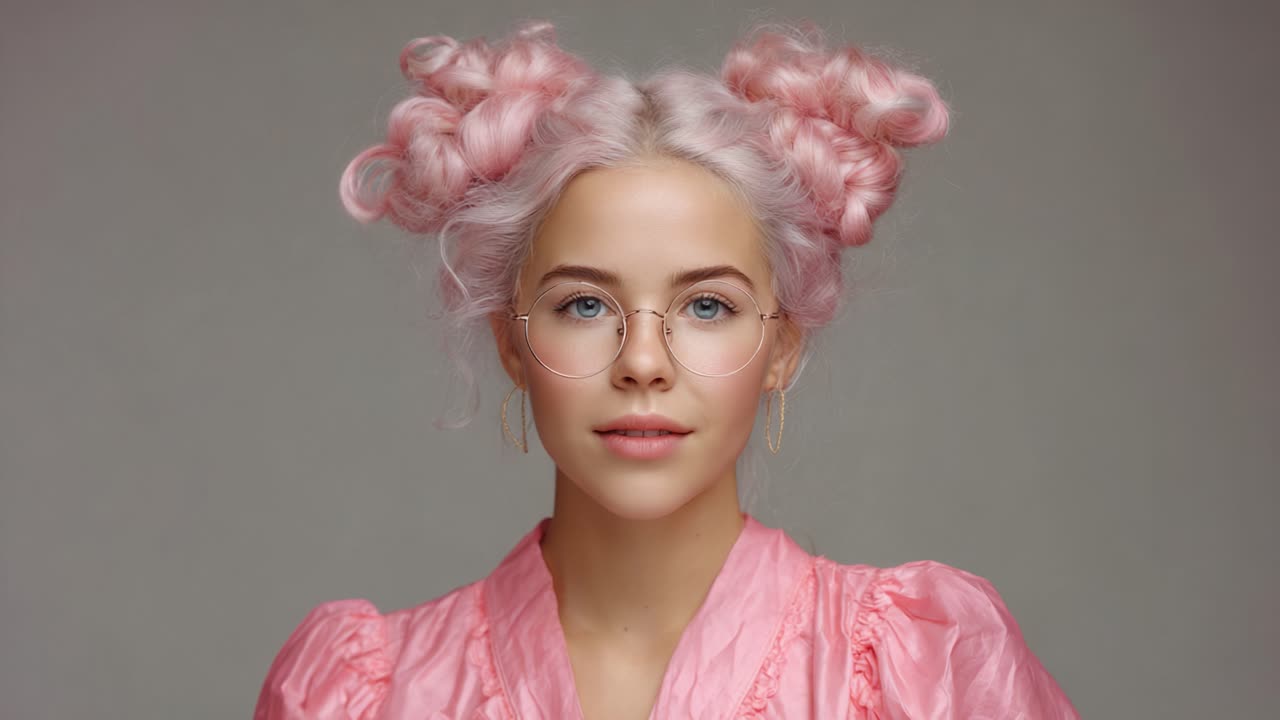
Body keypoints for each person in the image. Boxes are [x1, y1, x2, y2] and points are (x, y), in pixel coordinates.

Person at [253, 18, 1080, 719]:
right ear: (511, 342)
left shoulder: (924, 675)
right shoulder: (369, 694)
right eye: (584, 305)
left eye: (707, 306)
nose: (643, 362)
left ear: (782, 345)